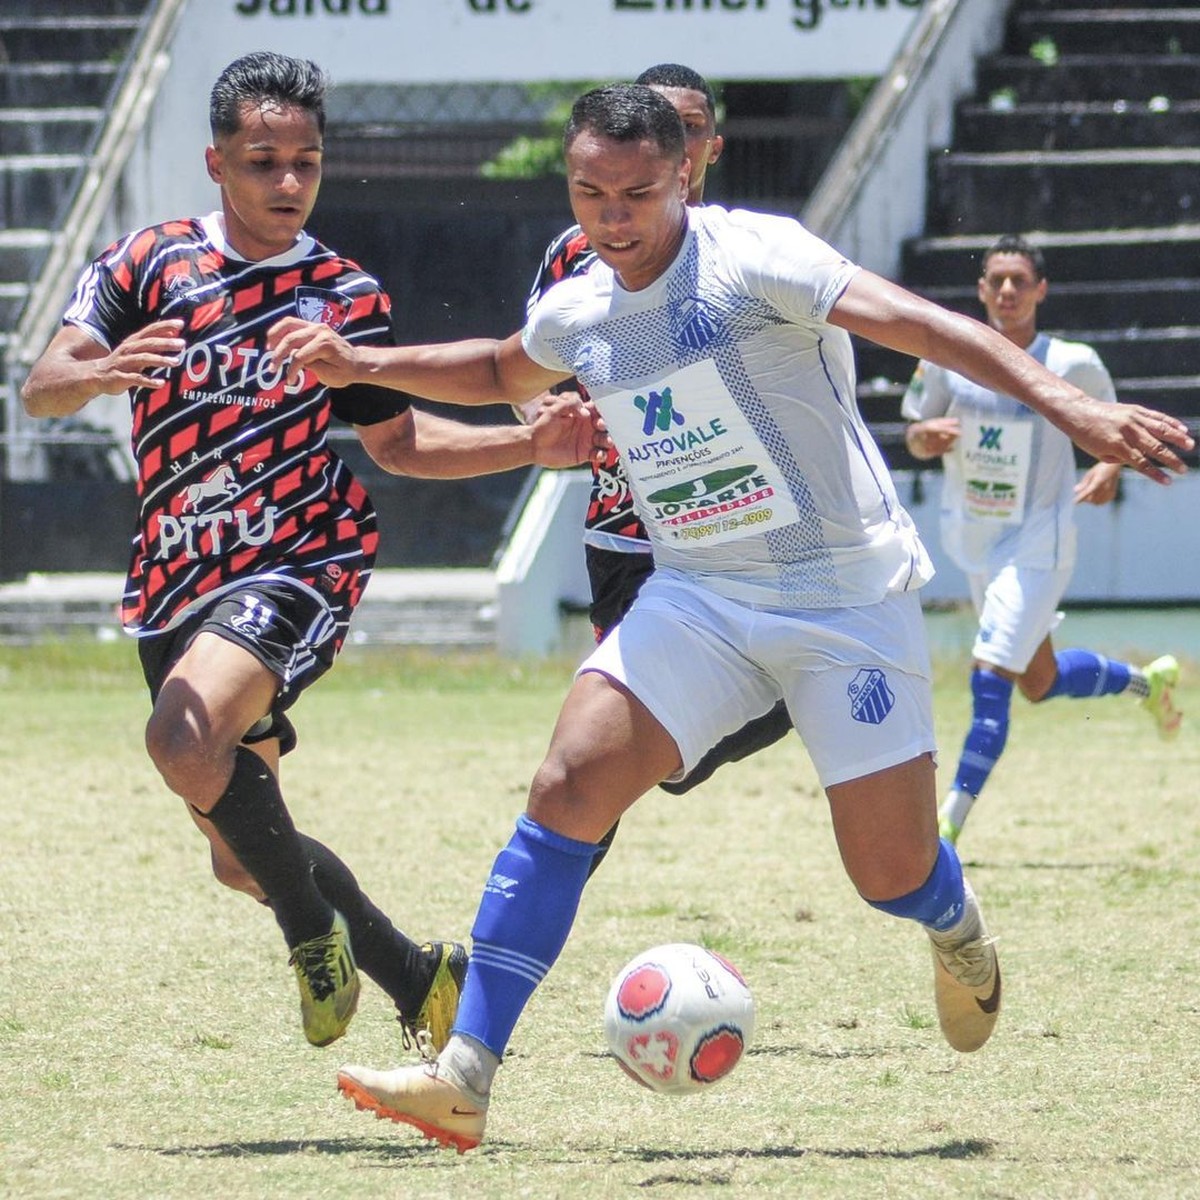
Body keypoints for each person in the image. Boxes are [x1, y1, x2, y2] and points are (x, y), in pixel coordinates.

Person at [267, 85, 1192, 1151]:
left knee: (887, 872)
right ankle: (466, 1073)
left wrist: (1071, 405)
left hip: (846, 597)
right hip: (701, 592)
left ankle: (956, 924)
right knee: (570, 781)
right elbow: (494, 367)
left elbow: (926, 326)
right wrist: (364, 363)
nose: (613, 217)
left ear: (687, 176)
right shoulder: (580, 304)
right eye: (590, 193)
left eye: (638, 193)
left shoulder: (757, 259)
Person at [19, 52, 599, 1054]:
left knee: (181, 744)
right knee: (241, 852)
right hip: (172, 576)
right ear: (215, 163)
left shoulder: (341, 292)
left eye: (306, 162)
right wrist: (100, 372)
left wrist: (526, 444)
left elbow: (399, 444)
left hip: (298, 558)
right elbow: (42, 384)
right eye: (263, 162)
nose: (288, 183)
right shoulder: (147, 263)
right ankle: (416, 976)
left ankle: (308, 936)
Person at [524, 64, 792, 830]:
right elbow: (528, 372)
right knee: (650, 760)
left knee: (601, 759)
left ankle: (793, 689)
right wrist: (551, 418)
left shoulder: (749, 252)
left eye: (695, 127)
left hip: (740, 527)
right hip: (625, 529)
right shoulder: (571, 257)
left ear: (701, 148)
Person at [901, 235, 1183, 844]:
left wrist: (1108, 468)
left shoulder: (1071, 362)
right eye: (996, 280)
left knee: (990, 674)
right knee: (1039, 680)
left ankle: (948, 823)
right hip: (974, 540)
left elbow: (1114, 424)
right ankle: (1149, 681)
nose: (1006, 291)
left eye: (1018, 281)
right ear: (981, 291)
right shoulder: (951, 356)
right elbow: (917, 429)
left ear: (1040, 291)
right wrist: (926, 438)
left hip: (1039, 541)